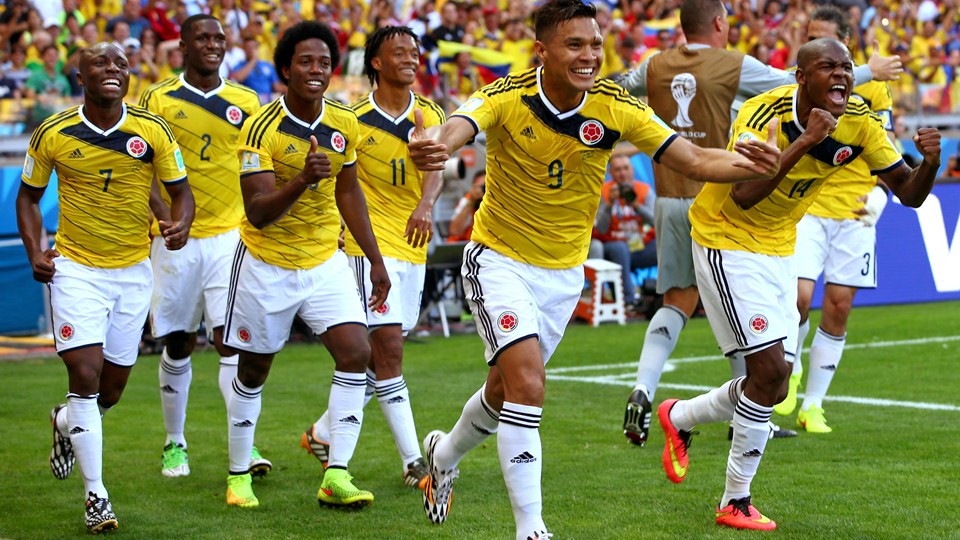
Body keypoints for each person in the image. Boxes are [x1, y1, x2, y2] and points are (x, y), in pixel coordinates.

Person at [407, 1, 784, 537]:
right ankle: (532, 529)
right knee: (529, 387)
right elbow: (460, 127)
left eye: (594, 44)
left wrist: (751, 161)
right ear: (542, 50)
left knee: (501, 389)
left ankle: (442, 457)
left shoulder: (612, 105)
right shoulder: (505, 96)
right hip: (499, 260)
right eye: (574, 45)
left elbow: (696, 161)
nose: (589, 56)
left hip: (562, 274)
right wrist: (435, 146)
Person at [657, 38, 940, 531]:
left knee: (773, 378)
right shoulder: (762, 112)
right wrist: (805, 140)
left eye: (847, 68)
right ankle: (735, 501)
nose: (842, 75)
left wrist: (930, 163)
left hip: (778, 244)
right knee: (767, 371)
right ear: (801, 76)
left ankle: (679, 417)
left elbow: (910, 195)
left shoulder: (861, 122)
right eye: (828, 66)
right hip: (726, 235)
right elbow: (744, 194)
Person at [616, 0, 903, 447]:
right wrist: (867, 70)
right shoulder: (735, 65)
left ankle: (644, 388)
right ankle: (748, 419)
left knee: (676, 303)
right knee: (757, 345)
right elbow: (794, 84)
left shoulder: (654, 64)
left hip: (669, 194)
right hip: (723, 199)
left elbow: (617, 91)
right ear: (719, 23)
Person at [16, 41, 194, 533]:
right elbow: (28, 199)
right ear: (80, 74)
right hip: (75, 269)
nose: (113, 69)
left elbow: (181, 192)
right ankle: (97, 495)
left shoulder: (152, 129)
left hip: (134, 272)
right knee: (86, 375)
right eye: (100, 62)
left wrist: (180, 224)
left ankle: (63, 422)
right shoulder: (53, 132)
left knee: (109, 393)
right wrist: (36, 251)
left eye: (121, 63)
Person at [222, 20, 390, 510]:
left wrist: (374, 259)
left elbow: (348, 189)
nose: (316, 70)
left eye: (323, 62)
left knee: (358, 355)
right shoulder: (259, 127)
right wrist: (299, 180)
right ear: (284, 70)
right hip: (265, 263)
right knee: (253, 371)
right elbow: (258, 212)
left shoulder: (344, 123)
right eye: (305, 61)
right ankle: (237, 477)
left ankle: (335, 473)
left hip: (324, 261)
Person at [299, 25, 445, 489]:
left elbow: (436, 169)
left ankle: (322, 433)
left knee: (378, 359)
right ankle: (413, 463)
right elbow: (343, 184)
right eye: (398, 52)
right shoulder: (353, 118)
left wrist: (425, 205)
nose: (410, 58)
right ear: (376, 63)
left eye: (414, 51)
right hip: (368, 250)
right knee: (391, 354)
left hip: (413, 247)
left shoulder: (431, 112)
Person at [139, 14, 264, 478]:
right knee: (178, 341)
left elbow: (258, 166)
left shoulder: (246, 100)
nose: (213, 44)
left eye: (219, 37)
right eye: (203, 38)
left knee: (231, 341)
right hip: (177, 238)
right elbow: (143, 168)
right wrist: (166, 216)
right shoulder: (158, 98)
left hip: (230, 237)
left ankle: (244, 444)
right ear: (183, 48)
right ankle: (175, 443)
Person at [779, 5, 897, 431]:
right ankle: (787, 374)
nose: (812, 45)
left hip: (854, 210)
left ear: (846, 44)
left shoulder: (875, 90)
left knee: (839, 306)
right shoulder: (801, 84)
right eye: (809, 37)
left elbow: (889, 149)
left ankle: (813, 406)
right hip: (807, 205)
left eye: (823, 38)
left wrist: (881, 196)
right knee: (797, 297)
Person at [596, 154, 656, 306]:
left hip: (639, 246)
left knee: (667, 243)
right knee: (620, 248)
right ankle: (629, 301)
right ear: (610, 172)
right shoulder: (603, 191)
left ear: (632, 170)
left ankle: (668, 296)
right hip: (612, 246)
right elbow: (601, 229)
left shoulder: (644, 190)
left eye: (625, 168)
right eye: (617, 169)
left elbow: (657, 222)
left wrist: (636, 206)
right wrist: (609, 203)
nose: (622, 173)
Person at [447, 171, 484, 241]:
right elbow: (455, 231)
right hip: (464, 245)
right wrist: (472, 201)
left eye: (485, 186)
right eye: (480, 186)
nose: (483, 189)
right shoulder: (468, 200)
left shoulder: (496, 202)